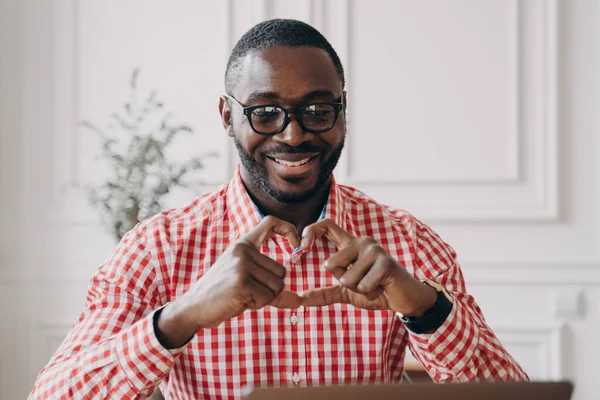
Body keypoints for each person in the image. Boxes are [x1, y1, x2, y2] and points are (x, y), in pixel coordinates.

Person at [30, 18, 528, 399]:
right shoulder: (157, 249)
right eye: (265, 112)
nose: (293, 135)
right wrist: (179, 317)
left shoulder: (411, 246)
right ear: (228, 116)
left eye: (317, 110)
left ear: (343, 111)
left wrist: (425, 309)